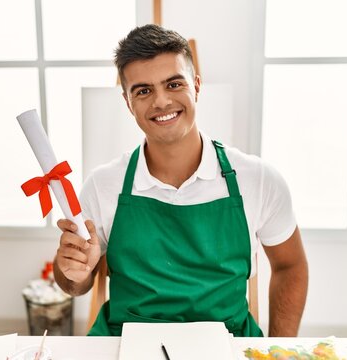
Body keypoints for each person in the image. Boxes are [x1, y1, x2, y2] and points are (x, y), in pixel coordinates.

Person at [53, 24, 308, 337]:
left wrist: (276, 352)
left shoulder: (259, 179)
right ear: (128, 102)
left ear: (196, 86)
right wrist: (72, 272)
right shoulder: (103, 184)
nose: (161, 102)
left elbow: (290, 267)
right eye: (143, 91)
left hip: (226, 342)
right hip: (126, 341)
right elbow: (73, 285)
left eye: (173, 84)